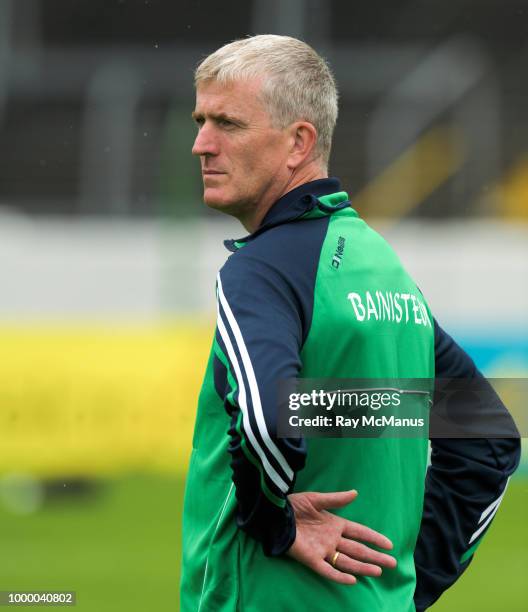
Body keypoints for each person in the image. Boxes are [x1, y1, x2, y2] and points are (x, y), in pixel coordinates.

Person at [180, 35, 520, 611]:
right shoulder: (380, 265)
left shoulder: (262, 270)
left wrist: (277, 525)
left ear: (298, 143)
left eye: (227, 124)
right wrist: (408, 584)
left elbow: (268, 419)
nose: (200, 145)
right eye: (200, 120)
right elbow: (489, 439)